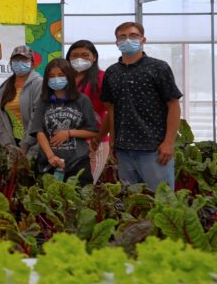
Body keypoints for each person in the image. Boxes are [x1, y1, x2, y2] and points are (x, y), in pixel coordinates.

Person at [101, 22, 182, 190]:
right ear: (116, 42)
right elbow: (112, 109)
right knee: (131, 205)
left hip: (154, 149)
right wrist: (113, 142)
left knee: (161, 203)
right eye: (122, 37)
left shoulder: (158, 67)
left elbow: (173, 104)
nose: (127, 40)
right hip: (124, 150)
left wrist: (168, 142)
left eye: (133, 36)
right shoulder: (112, 72)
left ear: (143, 39)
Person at [28, 58, 99, 185]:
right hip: (49, 163)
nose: (56, 79)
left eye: (61, 75)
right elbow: (38, 131)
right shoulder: (43, 101)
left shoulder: (82, 100)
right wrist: (51, 156)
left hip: (78, 163)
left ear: (69, 76)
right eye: (52, 76)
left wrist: (69, 133)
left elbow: (92, 131)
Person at [67, 40, 110, 182]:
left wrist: (96, 142)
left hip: (94, 142)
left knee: (87, 185)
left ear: (94, 57)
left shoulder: (102, 78)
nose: (79, 59)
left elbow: (111, 113)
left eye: (85, 55)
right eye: (74, 55)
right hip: (69, 143)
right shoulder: (64, 79)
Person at [0, 45, 43, 155]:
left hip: (34, 144)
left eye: (24, 59)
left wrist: (25, 144)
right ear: (11, 63)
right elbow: (2, 119)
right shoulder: (4, 87)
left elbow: (37, 117)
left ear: (32, 62)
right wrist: (8, 145)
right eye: (16, 60)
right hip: (12, 144)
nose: (19, 63)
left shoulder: (38, 83)